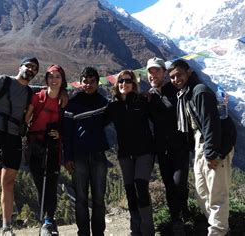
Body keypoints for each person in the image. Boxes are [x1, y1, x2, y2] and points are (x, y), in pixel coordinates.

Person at [168, 59, 234, 236]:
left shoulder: (199, 92)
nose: (175, 79)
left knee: (217, 194)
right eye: (172, 77)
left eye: (179, 75)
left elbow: (211, 124)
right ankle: (222, 229)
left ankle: (217, 232)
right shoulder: (186, 94)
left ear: (189, 72)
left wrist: (212, 153)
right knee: (202, 192)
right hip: (201, 144)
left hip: (213, 144)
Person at [0, 57, 39, 236]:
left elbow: (28, 118)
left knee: (9, 183)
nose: (30, 69)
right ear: (20, 67)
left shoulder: (30, 93)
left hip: (14, 139)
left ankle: (6, 227)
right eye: (28, 65)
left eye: (34, 68)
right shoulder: (2, 81)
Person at [105, 70, 155, 236]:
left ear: (133, 84)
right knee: (130, 192)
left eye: (127, 80)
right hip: (125, 154)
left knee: (141, 187)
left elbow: (159, 116)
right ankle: (136, 230)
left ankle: (147, 230)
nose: (123, 83)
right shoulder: (113, 106)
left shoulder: (143, 101)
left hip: (144, 152)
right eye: (120, 81)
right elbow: (97, 122)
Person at [62, 66, 109, 236]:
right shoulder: (72, 104)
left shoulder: (104, 103)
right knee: (81, 199)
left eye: (92, 81)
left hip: (99, 156)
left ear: (97, 82)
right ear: (80, 83)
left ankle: (98, 233)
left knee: (98, 198)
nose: (88, 84)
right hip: (78, 157)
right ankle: (83, 232)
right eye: (85, 81)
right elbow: (66, 134)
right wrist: (67, 157)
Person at [146, 57, 190, 235]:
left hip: (180, 146)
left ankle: (184, 208)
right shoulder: (148, 96)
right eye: (150, 71)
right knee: (169, 185)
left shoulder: (175, 89)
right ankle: (176, 220)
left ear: (164, 72)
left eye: (156, 70)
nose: (153, 74)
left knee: (179, 183)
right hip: (162, 149)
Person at [24, 64, 68, 236]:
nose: (54, 79)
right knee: (40, 184)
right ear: (46, 79)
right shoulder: (37, 97)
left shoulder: (64, 100)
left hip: (53, 146)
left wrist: (61, 134)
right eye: (51, 76)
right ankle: (46, 220)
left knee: (51, 183)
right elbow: (27, 118)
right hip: (36, 146)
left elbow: (68, 124)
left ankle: (49, 219)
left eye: (58, 76)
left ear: (62, 80)